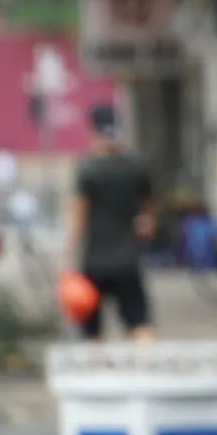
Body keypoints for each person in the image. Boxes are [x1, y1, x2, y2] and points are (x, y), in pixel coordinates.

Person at [65, 103, 157, 341]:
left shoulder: (88, 170)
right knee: (139, 323)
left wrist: (68, 260)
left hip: (94, 261)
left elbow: (79, 218)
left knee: (92, 332)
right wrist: (145, 224)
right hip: (128, 260)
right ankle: (147, 372)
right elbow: (149, 213)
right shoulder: (136, 166)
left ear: (93, 131)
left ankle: (95, 376)